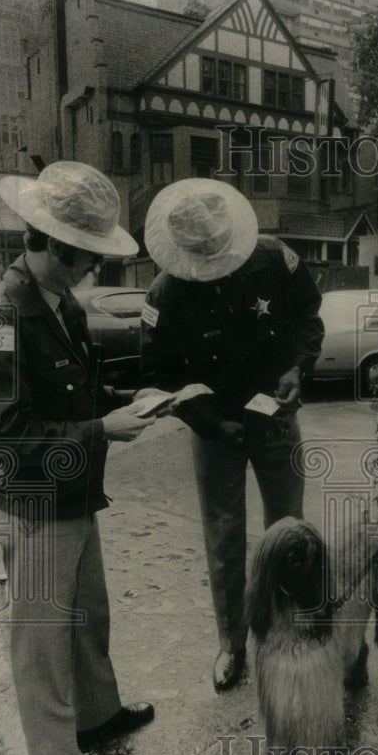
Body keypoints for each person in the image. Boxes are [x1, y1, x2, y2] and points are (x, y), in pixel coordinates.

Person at [0, 161, 171, 755]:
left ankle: (96, 716)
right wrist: (102, 428)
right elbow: (6, 438)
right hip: (35, 499)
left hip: (73, 492)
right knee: (44, 633)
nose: (93, 270)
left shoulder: (59, 304)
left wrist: (133, 399)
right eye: (86, 256)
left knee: (87, 616)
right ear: (48, 242)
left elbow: (76, 392)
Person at [140, 179, 324, 691]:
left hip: (275, 416)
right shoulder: (165, 292)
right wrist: (207, 422)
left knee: (288, 530)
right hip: (215, 428)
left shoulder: (275, 258)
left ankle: (291, 629)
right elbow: (159, 374)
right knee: (223, 538)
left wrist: (297, 369)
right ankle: (232, 644)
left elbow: (310, 314)